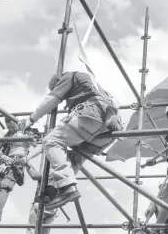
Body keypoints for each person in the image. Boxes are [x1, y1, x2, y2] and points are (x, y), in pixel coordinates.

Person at [18, 71, 123, 211]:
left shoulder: (69, 76)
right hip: (111, 128)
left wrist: (31, 119)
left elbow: (52, 99)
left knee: (52, 141)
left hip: (92, 115)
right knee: (75, 157)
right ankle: (53, 190)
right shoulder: (92, 86)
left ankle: (66, 186)